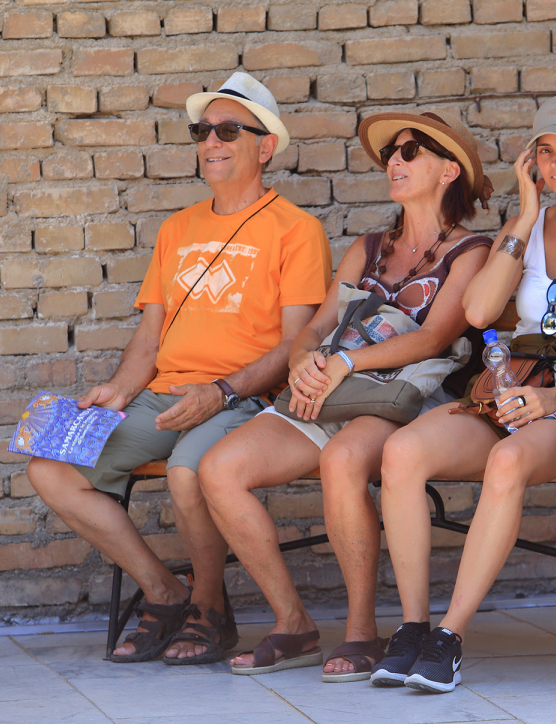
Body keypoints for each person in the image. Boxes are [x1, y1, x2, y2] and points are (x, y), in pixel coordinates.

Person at [27, 72, 331, 665]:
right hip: (162, 397)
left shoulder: (297, 230)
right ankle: (166, 592)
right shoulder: (177, 228)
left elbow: (296, 343)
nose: (210, 141)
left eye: (228, 131)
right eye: (202, 131)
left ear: (265, 146)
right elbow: (150, 335)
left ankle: (211, 609)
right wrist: (119, 389)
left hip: (244, 399)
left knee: (187, 472)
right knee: (50, 467)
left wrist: (221, 391)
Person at [198, 111, 493, 681]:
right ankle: (293, 624)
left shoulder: (471, 250)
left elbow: (434, 338)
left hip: (400, 397)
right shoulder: (370, 246)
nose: (395, 162)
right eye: (391, 154)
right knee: (219, 469)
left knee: (342, 459)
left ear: (449, 171)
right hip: (328, 390)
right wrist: (305, 359)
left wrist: (345, 362)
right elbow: (316, 325)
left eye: (411, 152)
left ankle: (362, 633)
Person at [374, 92, 556, 693]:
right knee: (402, 452)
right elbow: (481, 310)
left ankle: (449, 638)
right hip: (507, 384)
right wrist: (526, 217)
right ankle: (412, 628)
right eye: (545, 150)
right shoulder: (525, 227)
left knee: (507, 461)